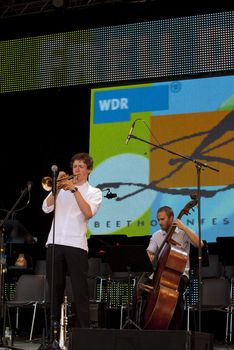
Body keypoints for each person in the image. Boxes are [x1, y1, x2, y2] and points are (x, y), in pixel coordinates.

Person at [42, 152, 102, 332]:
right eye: (74, 166)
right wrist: (58, 187)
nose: (77, 170)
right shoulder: (61, 189)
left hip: (76, 245)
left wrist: (74, 190)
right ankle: (53, 333)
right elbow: (46, 208)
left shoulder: (94, 192)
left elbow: (88, 212)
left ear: (89, 170)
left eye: (81, 166)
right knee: (54, 291)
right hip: (55, 242)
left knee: (80, 291)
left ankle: (84, 333)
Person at [145, 205, 204, 330]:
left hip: (180, 274)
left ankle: (175, 331)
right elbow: (150, 252)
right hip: (159, 273)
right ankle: (148, 325)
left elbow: (200, 244)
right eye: (158, 219)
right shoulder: (157, 235)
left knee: (175, 296)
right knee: (145, 292)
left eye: (162, 219)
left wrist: (183, 227)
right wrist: (150, 257)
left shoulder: (183, 233)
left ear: (171, 218)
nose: (160, 222)